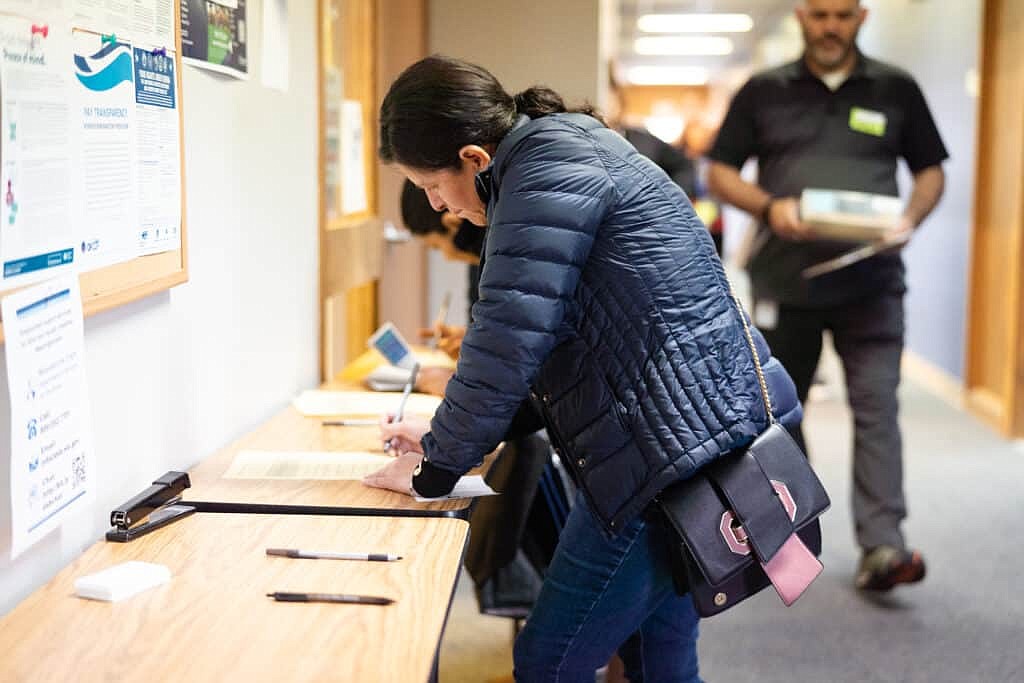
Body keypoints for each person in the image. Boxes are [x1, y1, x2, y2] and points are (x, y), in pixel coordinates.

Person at [363, 55, 802, 682]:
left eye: (432, 187)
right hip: (693, 437)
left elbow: (505, 343)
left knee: (549, 663)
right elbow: (564, 350)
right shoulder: (567, 152)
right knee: (660, 662)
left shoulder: (540, 177)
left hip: (662, 462)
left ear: (473, 159)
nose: (438, 206)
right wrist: (441, 441)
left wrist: (433, 471)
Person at [707, 0, 947, 592]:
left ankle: (884, 546)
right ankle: (788, 540)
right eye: (819, 15)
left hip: (873, 281)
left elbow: (931, 170)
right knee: (782, 417)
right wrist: (769, 207)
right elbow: (718, 171)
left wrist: (911, 219)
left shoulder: (897, 88)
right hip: (788, 282)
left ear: (861, 17)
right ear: (800, 17)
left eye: (842, 14)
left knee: (877, 408)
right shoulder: (763, 90)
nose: (831, 26)